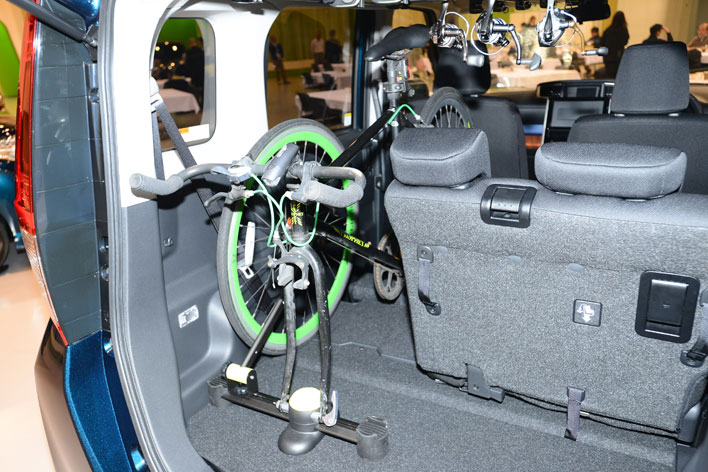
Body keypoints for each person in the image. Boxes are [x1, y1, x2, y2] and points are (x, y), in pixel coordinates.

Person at [601, 11, 629, 78]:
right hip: (618, 57)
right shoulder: (623, 30)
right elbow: (625, 42)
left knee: (609, 77)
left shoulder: (608, 30)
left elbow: (602, 42)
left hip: (608, 58)